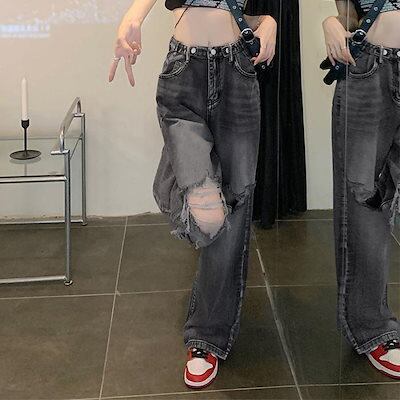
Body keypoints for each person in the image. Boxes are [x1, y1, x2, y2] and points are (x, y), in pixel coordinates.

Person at [108, 0, 277, 389]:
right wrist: (132, 18)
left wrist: (269, 22)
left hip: (238, 71)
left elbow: (245, 11)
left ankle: (206, 337)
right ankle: (178, 186)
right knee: (208, 211)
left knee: (235, 204)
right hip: (184, 70)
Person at [323, 0, 400, 379]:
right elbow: (351, 14)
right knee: (364, 201)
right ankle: (372, 328)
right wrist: (330, 22)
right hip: (371, 67)